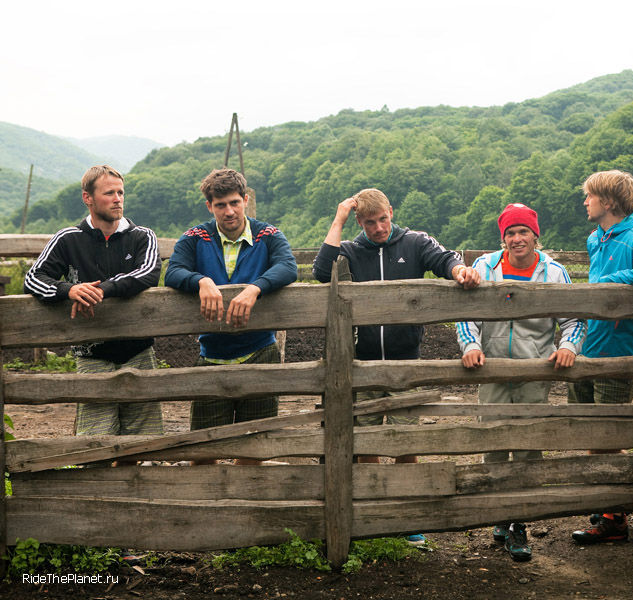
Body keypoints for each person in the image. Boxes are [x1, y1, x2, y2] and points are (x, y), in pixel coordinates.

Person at [313, 187, 480, 547]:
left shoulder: (415, 242)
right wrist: (338, 218)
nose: (378, 228)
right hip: (364, 362)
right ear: (359, 221)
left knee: (406, 437)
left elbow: (444, 259)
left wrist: (459, 271)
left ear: (392, 211)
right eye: (369, 222)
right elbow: (321, 272)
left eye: (383, 219)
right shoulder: (353, 250)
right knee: (367, 436)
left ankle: (408, 516)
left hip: (407, 362)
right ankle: (374, 508)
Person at [456, 202, 586, 562]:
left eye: (523, 232)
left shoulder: (554, 273)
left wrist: (568, 347)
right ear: (503, 238)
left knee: (529, 444)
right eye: (510, 233)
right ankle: (500, 513)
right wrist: (470, 345)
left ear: (535, 235)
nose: (516, 239)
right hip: (491, 369)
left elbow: (574, 318)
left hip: (534, 371)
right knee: (493, 440)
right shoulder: (484, 266)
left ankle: (519, 522)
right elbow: (467, 315)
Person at [24, 165, 162, 460]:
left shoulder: (142, 236)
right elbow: (33, 278)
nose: (117, 199)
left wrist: (102, 290)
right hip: (91, 353)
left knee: (146, 443)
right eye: (109, 193)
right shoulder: (68, 239)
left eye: (121, 192)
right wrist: (69, 290)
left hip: (139, 350)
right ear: (88, 197)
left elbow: (149, 272)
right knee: (95, 446)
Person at [164, 168, 296, 465]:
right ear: (209, 206)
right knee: (204, 452)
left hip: (260, 351)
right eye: (220, 205)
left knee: (253, 450)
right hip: (211, 354)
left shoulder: (269, 234)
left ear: (245, 200)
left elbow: (288, 266)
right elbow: (173, 271)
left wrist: (255, 288)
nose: (229, 211)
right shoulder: (195, 237)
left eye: (235, 202)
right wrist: (201, 280)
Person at [568, 169, 633, 544]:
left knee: (611, 432)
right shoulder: (595, 238)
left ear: (607, 202)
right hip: (592, 343)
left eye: (589, 197)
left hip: (620, 349)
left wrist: (609, 283)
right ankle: (607, 507)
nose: (584, 202)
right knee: (593, 429)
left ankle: (615, 518)